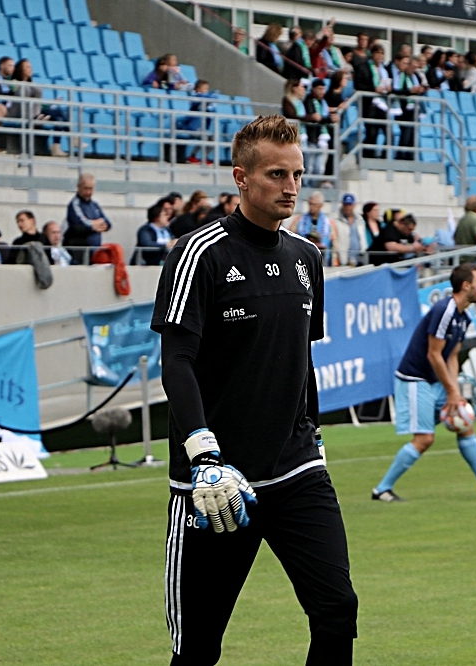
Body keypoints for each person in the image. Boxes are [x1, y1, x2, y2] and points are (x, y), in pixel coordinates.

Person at [150, 115, 357, 664]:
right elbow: (177, 362)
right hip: (217, 483)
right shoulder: (200, 254)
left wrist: (312, 436)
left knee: (337, 611)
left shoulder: (308, 257)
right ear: (241, 177)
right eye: (276, 174)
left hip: (296, 471)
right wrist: (202, 452)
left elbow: (299, 361)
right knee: (198, 648)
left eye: (297, 174)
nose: (291, 186)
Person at [373, 263, 476, 502]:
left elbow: (452, 355)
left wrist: (456, 392)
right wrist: (452, 391)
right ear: (466, 286)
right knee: (424, 439)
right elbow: (434, 354)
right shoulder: (445, 311)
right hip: (416, 378)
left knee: (465, 424)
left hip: (434, 380)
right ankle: (381, 489)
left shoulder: (464, 317)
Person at [353, 44, 392, 159]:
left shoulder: (384, 70)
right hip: (369, 105)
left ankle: (383, 158)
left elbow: (388, 85)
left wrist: (389, 89)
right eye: (377, 53)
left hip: (383, 105)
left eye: (382, 53)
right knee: (372, 133)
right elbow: (358, 85)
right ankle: (366, 157)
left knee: (389, 133)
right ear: (372, 54)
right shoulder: (363, 67)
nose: (380, 56)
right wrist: (373, 89)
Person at [64, 174, 111, 264]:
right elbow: (81, 225)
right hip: (80, 253)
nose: (88, 192)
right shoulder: (74, 204)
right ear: (78, 187)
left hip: (95, 251)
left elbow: (107, 223)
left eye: (91, 189)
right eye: (85, 188)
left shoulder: (94, 205)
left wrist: (95, 223)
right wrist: (98, 223)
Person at [288, 191, 337, 266]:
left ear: (321, 205)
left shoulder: (329, 223)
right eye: (310, 204)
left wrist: (334, 263)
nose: (311, 207)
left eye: (314, 205)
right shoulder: (299, 220)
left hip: (323, 261)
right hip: (302, 259)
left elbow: (335, 244)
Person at [367, 213, 432, 265]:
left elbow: (414, 242)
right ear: (402, 224)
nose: (410, 232)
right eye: (409, 229)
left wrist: (423, 247)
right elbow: (391, 247)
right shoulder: (389, 230)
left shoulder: (406, 233)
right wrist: (412, 248)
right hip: (377, 263)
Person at [136, 201, 176, 266]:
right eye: (164, 215)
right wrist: (165, 245)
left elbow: (172, 240)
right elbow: (147, 244)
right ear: (157, 218)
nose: (167, 217)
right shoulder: (145, 230)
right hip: (148, 263)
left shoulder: (167, 230)